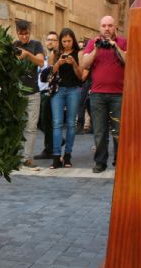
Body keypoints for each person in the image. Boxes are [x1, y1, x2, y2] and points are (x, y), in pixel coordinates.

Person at [81, 16, 127, 173]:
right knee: (100, 131)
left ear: (115, 28)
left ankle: (119, 161)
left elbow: (129, 60)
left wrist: (116, 47)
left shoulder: (123, 42)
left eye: (110, 25)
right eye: (104, 26)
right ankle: (100, 162)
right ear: (99, 28)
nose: (107, 28)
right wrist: (96, 49)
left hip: (118, 95)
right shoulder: (93, 43)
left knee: (118, 131)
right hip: (97, 95)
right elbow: (84, 64)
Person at [41, 28, 83, 168]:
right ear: (60, 41)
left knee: (71, 123)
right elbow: (49, 74)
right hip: (58, 91)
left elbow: (81, 76)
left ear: (73, 40)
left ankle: (68, 155)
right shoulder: (55, 54)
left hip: (73, 90)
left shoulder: (79, 54)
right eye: (64, 41)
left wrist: (74, 64)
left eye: (69, 41)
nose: (66, 44)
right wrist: (58, 64)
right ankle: (56, 156)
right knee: (57, 123)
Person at [13, 20, 45, 168]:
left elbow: (40, 62)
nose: (24, 37)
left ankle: (28, 157)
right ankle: (18, 157)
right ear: (17, 33)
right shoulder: (14, 46)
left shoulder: (36, 45)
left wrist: (27, 54)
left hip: (33, 92)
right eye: (21, 34)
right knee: (18, 126)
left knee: (31, 127)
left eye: (26, 34)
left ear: (30, 32)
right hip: (17, 93)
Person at [37, 31, 59, 158]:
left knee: (46, 121)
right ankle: (55, 140)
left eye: (53, 40)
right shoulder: (44, 58)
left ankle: (49, 149)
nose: (50, 41)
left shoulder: (55, 57)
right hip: (40, 92)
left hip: (49, 94)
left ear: (57, 42)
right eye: (48, 39)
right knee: (40, 121)